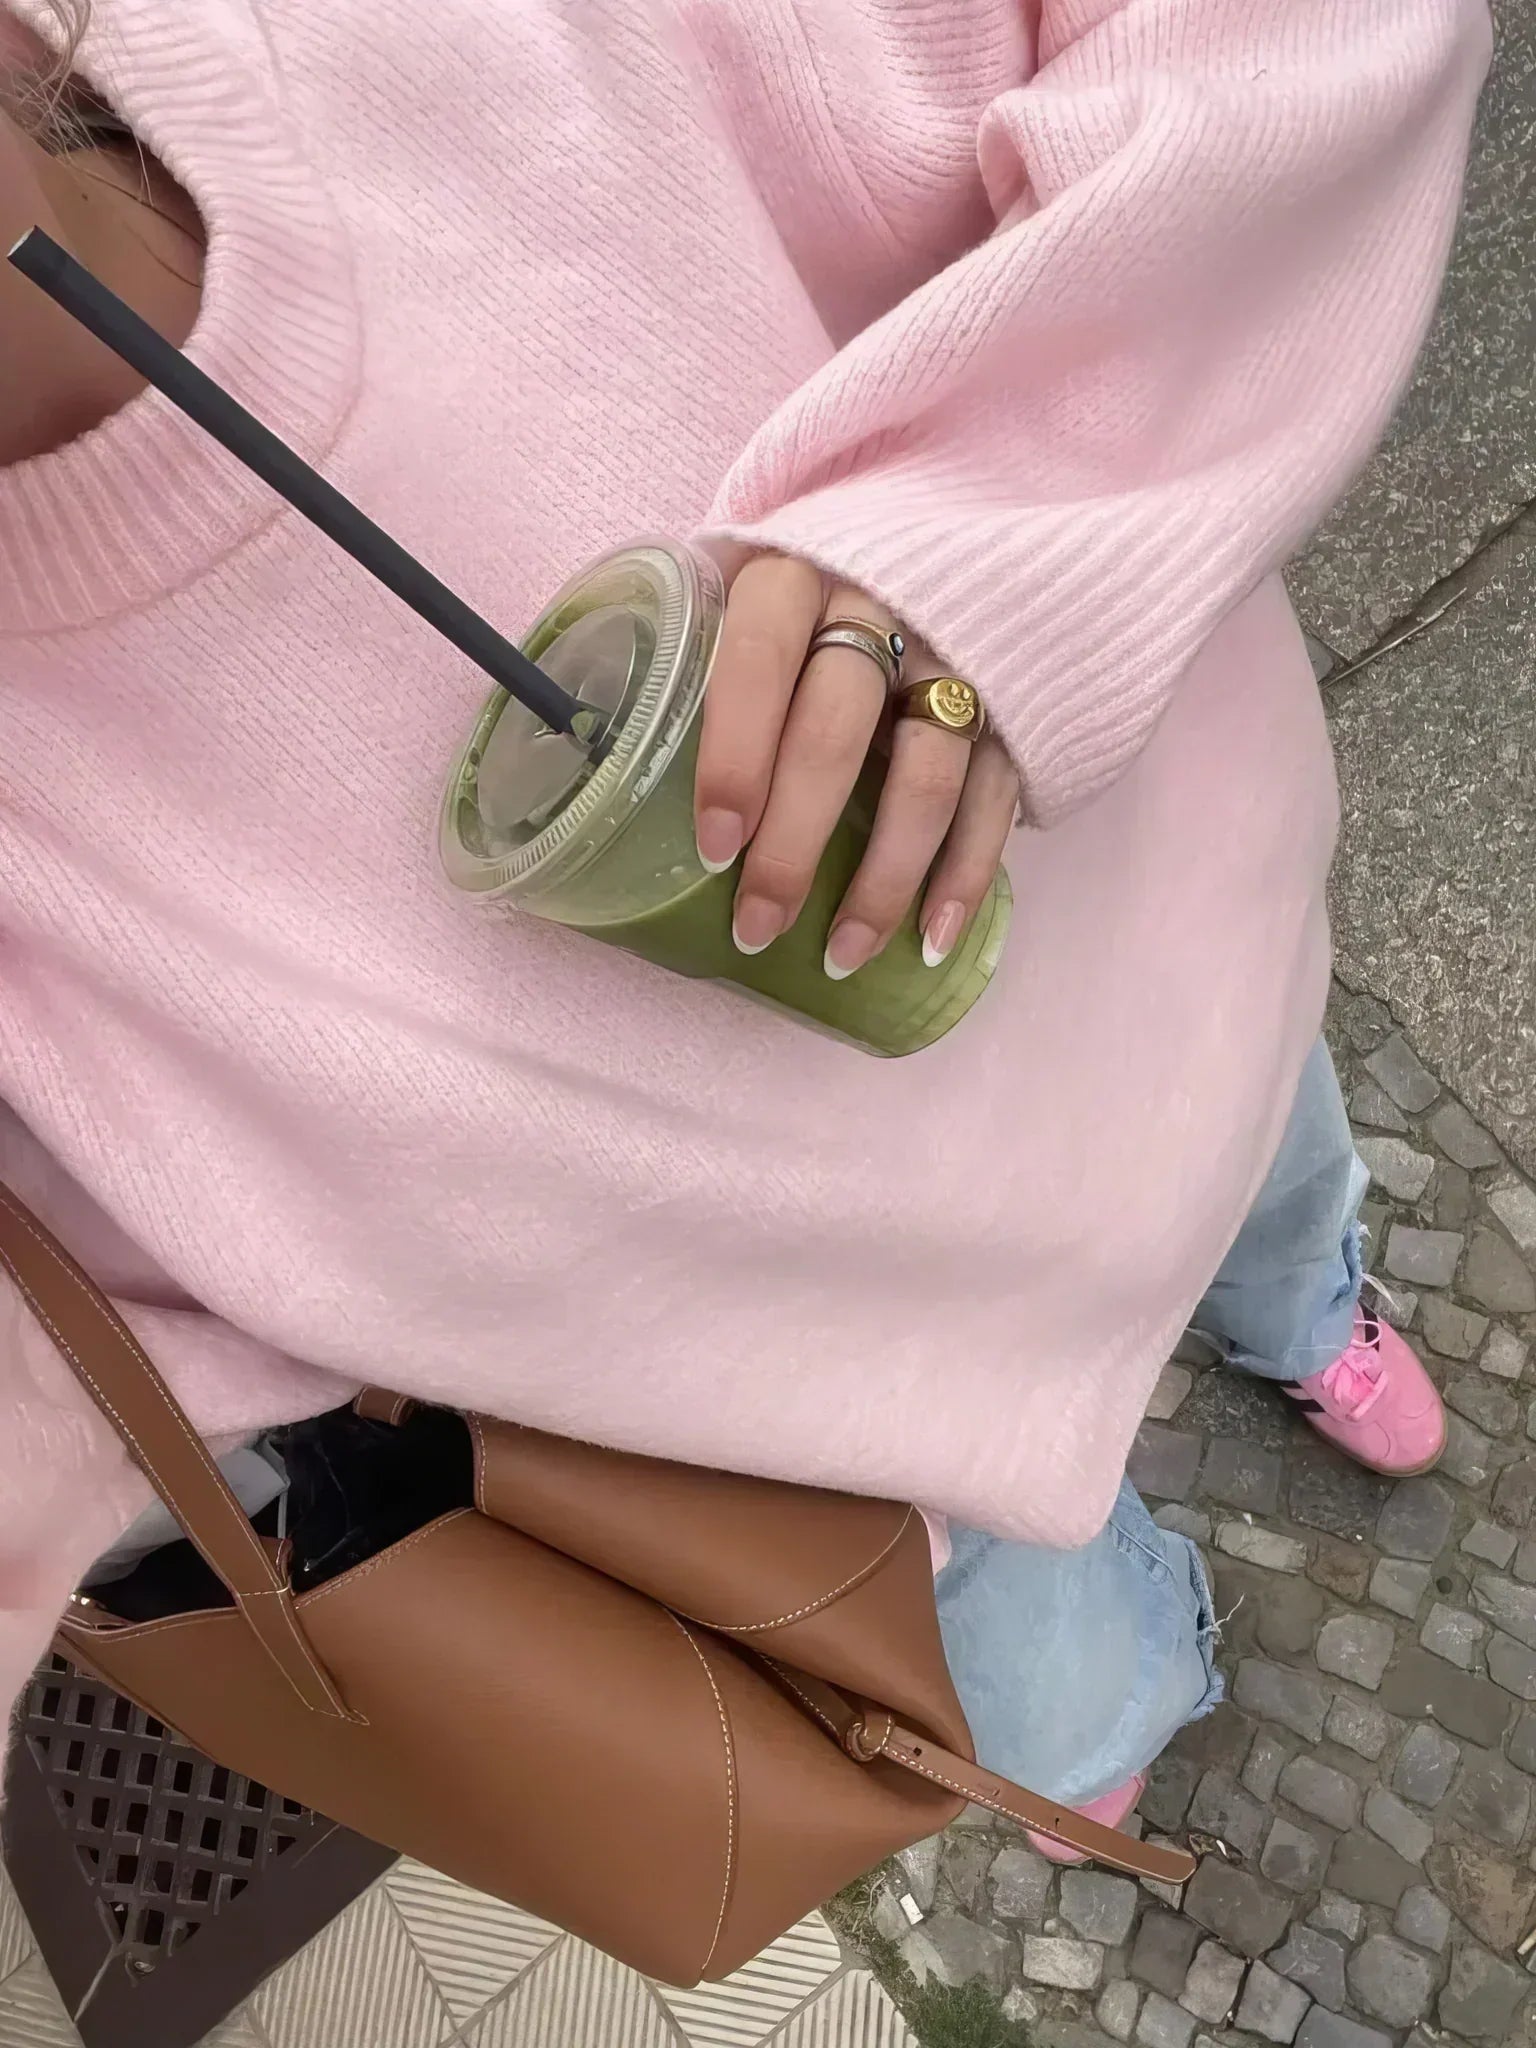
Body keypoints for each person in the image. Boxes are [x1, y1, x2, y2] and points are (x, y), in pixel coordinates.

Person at [0, 0, 1488, 1841]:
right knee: (1059, 1680)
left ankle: (1301, 1308)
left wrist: (1007, 521)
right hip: (855, 1447)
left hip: (1182, 1006)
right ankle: (1118, 1692)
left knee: (1269, 1186)